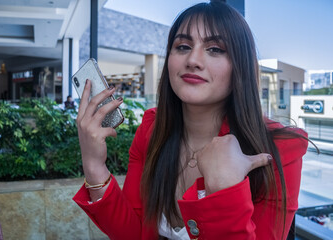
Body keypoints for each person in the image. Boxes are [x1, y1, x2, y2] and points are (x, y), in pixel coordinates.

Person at [73, 1, 309, 239]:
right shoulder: (152, 129)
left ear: (241, 66)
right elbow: (133, 233)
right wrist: (93, 164)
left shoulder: (281, 147)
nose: (193, 60)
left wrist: (225, 191)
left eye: (215, 49)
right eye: (183, 46)